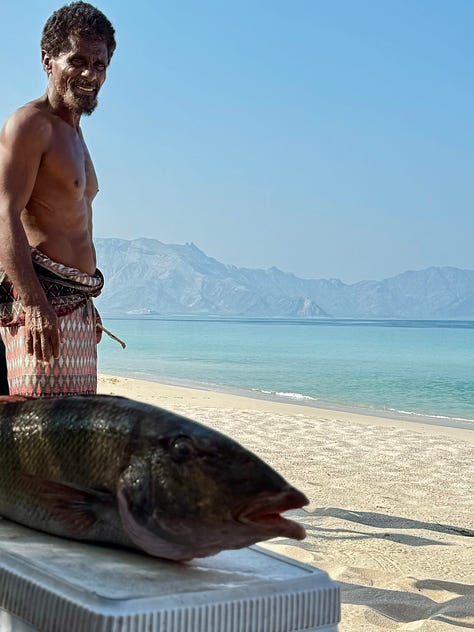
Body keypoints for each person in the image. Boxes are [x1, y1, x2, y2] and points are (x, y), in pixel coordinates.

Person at [0, 2, 116, 397]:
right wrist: (34, 304)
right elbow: (4, 214)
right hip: (41, 312)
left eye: (99, 64)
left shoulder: (75, 135)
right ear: (48, 61)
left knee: (75, 448)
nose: (89, 73)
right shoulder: (31, 124)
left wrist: (82, 303)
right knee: (41, 446)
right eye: (77, 60)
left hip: (73, 311)